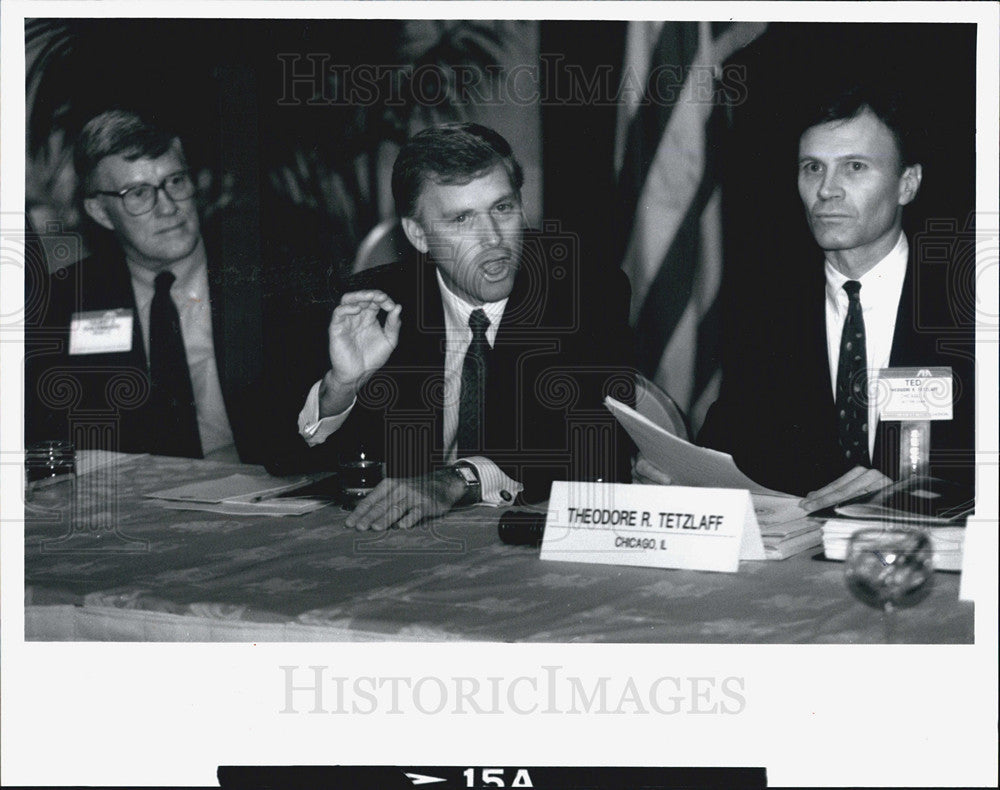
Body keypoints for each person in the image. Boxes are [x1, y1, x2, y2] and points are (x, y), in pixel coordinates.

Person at [646, 84, 975, 508]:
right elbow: (731, 448)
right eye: (812, 168)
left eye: (854, 166)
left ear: (907, 185)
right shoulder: (766, 306)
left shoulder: (969, 305)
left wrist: (912, 494)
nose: (827, 190)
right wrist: (679, 477)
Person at [295, 122, 635, 530]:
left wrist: (457, 480)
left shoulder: (585, 290)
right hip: (404, 548)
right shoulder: (377, 303)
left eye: (503, 208)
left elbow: (593, 452)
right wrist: (342, 386)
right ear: (418, 234)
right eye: (462, 219)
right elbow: (287, 463)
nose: (493, 239)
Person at [25, 109, 267, 462]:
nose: (168, 207)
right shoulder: (67, 300)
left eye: (176, 182)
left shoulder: (266, 276)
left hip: (265, 490)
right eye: (138, 193)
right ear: (101, 213)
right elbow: (48, 434)